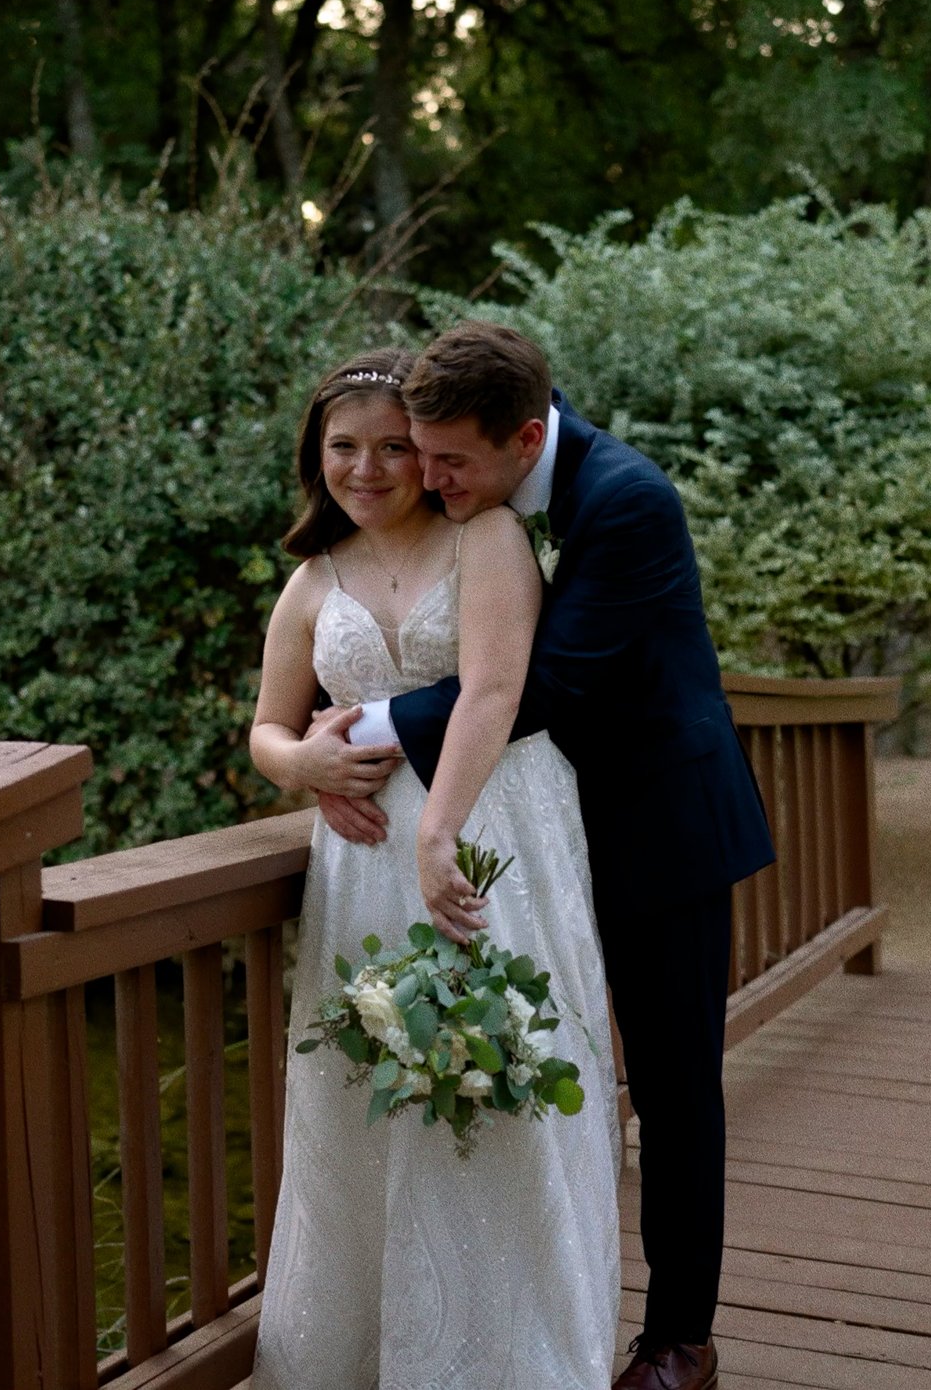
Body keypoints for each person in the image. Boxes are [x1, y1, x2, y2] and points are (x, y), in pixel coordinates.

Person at [324, 321, 774, 1390]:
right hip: (541, 832)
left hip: (658, 823)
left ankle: (679, 1339)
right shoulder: (499, 493)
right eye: (419, 456)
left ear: (528, 436)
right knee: (538, 1067)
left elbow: (545, 682)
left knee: (672, 1085)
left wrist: (355, 727)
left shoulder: (625, 500)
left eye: (448, 462)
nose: (428, 481)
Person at [246, 347, 622, 1388]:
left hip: (490, 835)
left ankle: (511, 1355)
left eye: (392, 447)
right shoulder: (313, 580)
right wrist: (305, 762)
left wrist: (435, 830)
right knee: (376, 1078)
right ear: (314, 457)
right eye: (341, 447)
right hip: (359, 868)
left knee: (502, 1071)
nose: (365, 468)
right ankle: (371, 1348)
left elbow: (497, 689)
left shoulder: (488, 536)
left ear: (427, 454)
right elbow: (266, 731)